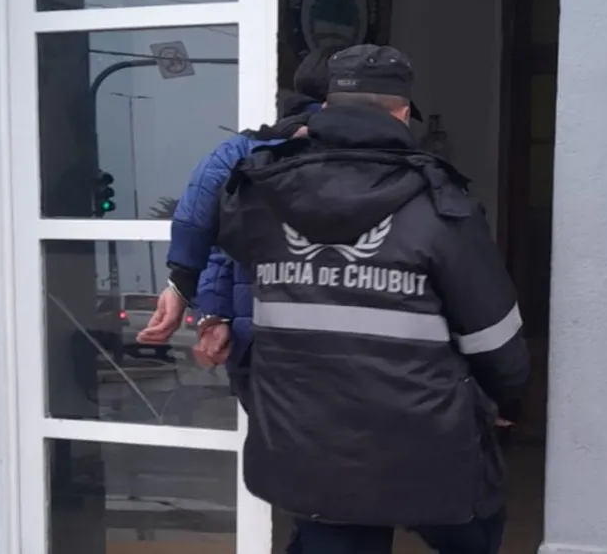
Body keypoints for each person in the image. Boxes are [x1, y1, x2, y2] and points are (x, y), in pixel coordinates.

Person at [216, 44, 530, 554]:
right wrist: (504, 400)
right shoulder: (440, 205)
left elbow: (227, 261)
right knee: (475, 531)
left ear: (326, 107)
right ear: (403, 114)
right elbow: (496, 342)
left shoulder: (261, 194)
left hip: (307, 445)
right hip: (428, 446)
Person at [136, 45, 341, 366]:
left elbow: (219, 237)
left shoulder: (247, 149)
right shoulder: (376, 160)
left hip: (259, 349)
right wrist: (206, 307)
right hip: (344, 351)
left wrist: (206, 306)